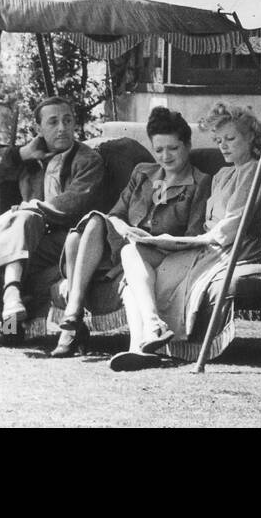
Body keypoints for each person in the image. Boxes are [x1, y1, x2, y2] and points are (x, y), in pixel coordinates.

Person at [110, 102, 261, 371]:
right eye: (219, 140)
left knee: (135, 274)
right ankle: (147, 334)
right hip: (206, 245)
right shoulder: (222, 173)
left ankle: (140, 342)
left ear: (250, 137)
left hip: (227, 249)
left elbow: (231, 227)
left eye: (230, 139)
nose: (223, 147)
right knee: (129, 252)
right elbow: (209, 223)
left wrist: (186, 242)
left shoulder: (253, 171)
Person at [51, 107, 212, 358]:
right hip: (124, 243)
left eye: (173, 148)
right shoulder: (142, 172)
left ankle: (78, 328)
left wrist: (157, 240)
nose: (165, 157)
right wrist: (124, 228)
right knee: (92, 223)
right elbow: (116, 213)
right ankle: (73, 314)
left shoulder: (200, 182)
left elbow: (193, 235)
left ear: (187, 146)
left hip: (162, 251)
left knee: (85, 239)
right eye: (158, 149)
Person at [0, 96, 106, 348]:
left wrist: (24, 210)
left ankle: (6, 322)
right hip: (30, 240)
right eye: (53, 122)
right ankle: (11, 314)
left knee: (18, 226)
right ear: (39, 129)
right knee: (17, 237)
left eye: (68, 121)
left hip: (70, 240)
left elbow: (72, 203)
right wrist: (22, 154)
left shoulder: (88, 160)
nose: (62, 128)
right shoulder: (33, 158)